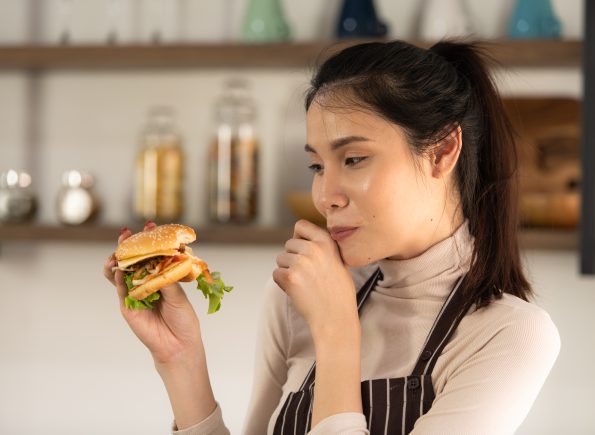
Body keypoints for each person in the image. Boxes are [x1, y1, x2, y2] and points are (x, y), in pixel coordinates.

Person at [103, 39, 561, 435]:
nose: (325, 196)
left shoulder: (509, 334)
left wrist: (337, 331)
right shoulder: (292, 299)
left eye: (355, 159)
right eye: (317, 166)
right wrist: (179, 359)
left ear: (442, 152)